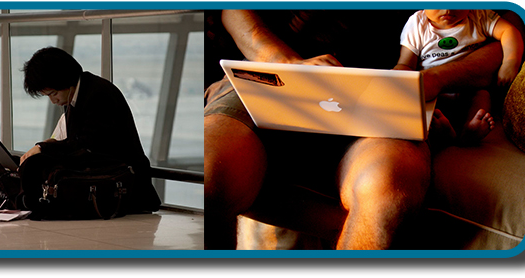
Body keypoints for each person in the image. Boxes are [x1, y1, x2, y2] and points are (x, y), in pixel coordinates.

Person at [205, 10, 504, 250]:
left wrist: (434, 79)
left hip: (383, 89)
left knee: (387, 187)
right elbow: (233, 11)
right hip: (277, 73)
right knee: (211, 168)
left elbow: (506, 39)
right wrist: (288, 63)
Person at [0, 47, 161, 214]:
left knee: (34, 165)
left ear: (65, 80)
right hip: (90, 167)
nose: (53, 101)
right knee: (0, 164)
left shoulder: (99, 95)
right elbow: (78, 146)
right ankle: (22, 197)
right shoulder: (75, 95)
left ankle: (21, 199)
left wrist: (44, 149)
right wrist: (49, 146)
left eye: (53, 93)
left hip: (118, 180)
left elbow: (88, 148)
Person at [395, 9, 524, 147]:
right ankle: (445, 132)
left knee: (482, 95)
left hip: (469, 87)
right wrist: (394, 77)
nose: (448, 9)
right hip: (436, 94)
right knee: (427, 110)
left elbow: (509, 31)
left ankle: (469, 129)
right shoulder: (417, 24)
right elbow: (406, 64)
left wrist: (510, 63)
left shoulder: (479, 16)